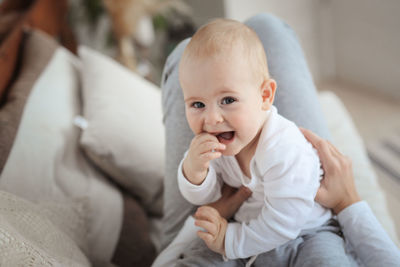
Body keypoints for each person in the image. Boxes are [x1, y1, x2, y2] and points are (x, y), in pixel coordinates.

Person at [172, 17, 351, 266]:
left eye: (227, 100)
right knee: (199, 258)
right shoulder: (217, 142)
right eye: (197, 104)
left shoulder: (284, 147)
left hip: (308, 234)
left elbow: (284, 222)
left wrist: (229, 239)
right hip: (247, 229)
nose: (211, 118)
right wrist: (194, 172)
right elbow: (209, 194)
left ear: (265, 95)